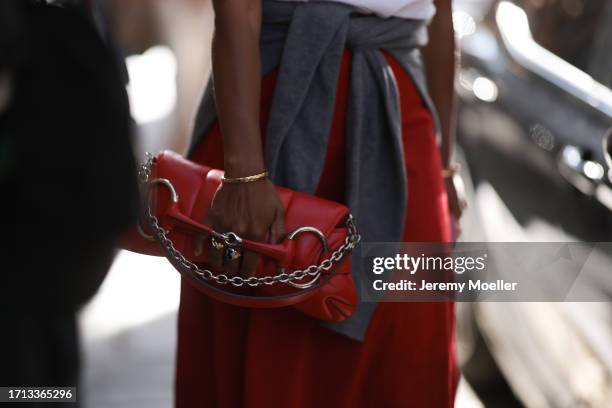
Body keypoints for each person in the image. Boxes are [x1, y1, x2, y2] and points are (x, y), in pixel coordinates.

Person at [180, 0, 464, 406]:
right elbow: (237, 11)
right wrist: (244, 172)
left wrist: (443, 165)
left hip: (400, 120)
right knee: (271, 348)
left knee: (407, 350)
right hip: (268, 116)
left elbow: (442, 13)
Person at [0, 0, 137, 402]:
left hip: (41, 236)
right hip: (72, 240)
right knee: (44, 373)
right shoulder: (68, 30)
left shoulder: (37, 37)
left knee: (25, 379)